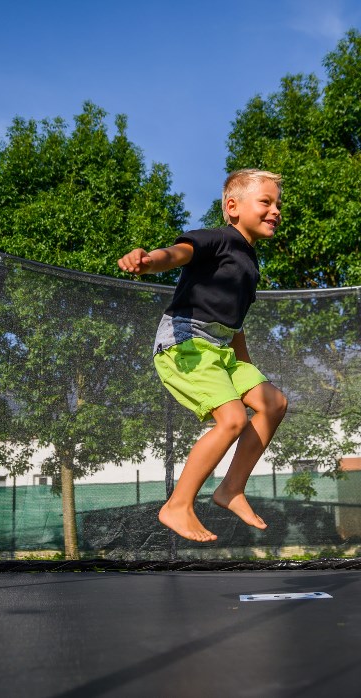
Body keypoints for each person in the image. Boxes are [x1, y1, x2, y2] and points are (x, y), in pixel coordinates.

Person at [117, 169, 289, 542]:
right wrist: (149, 260)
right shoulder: (219, 240)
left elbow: (235, 323)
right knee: (231, 419)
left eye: (278, 204)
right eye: (266, 202)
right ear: (232, 207)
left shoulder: (250, 264)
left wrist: (246, 370)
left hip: (220, 349)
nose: (275, 210)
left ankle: (231, 489)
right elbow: (178, 254)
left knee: (273, 402)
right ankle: (178, 504)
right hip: (185, 343)